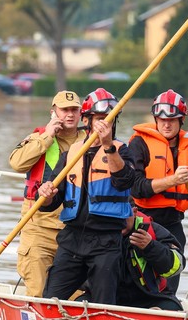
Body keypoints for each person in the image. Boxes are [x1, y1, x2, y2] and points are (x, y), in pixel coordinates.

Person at [37, 88, 135, 305]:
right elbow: (50, 202)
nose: (104, 125)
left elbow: (125, 181)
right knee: (51, 300)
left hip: (106, 241)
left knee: (103, 304)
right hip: (72, 239)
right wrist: (45, 194)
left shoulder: (122, 151)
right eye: (100, 119)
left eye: (109, 120)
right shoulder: (70, 154)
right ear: (87, 120)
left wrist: (108, 145)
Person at [129, 89, 188, 294]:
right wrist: (172, 180)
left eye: (172, 119)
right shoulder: (139, 145)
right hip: (142, 224)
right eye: (161, 119)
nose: (166, 124)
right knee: (138, 285)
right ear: (155, 118)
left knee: (168, 288)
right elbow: (136, 187)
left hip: (173, 228)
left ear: (181, 120)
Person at [8, 90, 84, 297]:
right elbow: (17, 163)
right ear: (53, 112)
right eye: (64, 110)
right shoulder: (39, 137)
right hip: (39, 229)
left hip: (75, 232)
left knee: (76, 298)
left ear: (81, 113)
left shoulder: (90, 140)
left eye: (74, 110)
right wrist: (47, 137)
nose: (69, 114)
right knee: (38, 292)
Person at [78, 200, 186, 310]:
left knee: (173, 308)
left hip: (149, 297)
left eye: (123, 215)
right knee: (76, 307)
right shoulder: (93, 232)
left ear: (134, 212)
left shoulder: (153, 231)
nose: (118, 221)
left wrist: (151, 247)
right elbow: (74, 271)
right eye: (113, 216)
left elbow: (177, 266)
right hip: (103, 295)